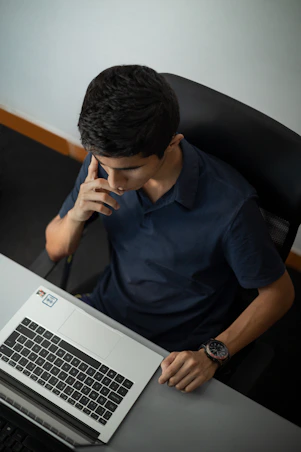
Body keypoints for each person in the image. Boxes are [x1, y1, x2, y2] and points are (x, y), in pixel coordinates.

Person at [45, 64, 295, 393]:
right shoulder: (104, 166)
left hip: (173, 355)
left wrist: (213, 354)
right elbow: (55, 248)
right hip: (105, 312)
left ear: (172, 143)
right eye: (105, 165)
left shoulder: (231, 207)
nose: (115, 183)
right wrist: (77, 214)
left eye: (130, 170)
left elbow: (279, 294)